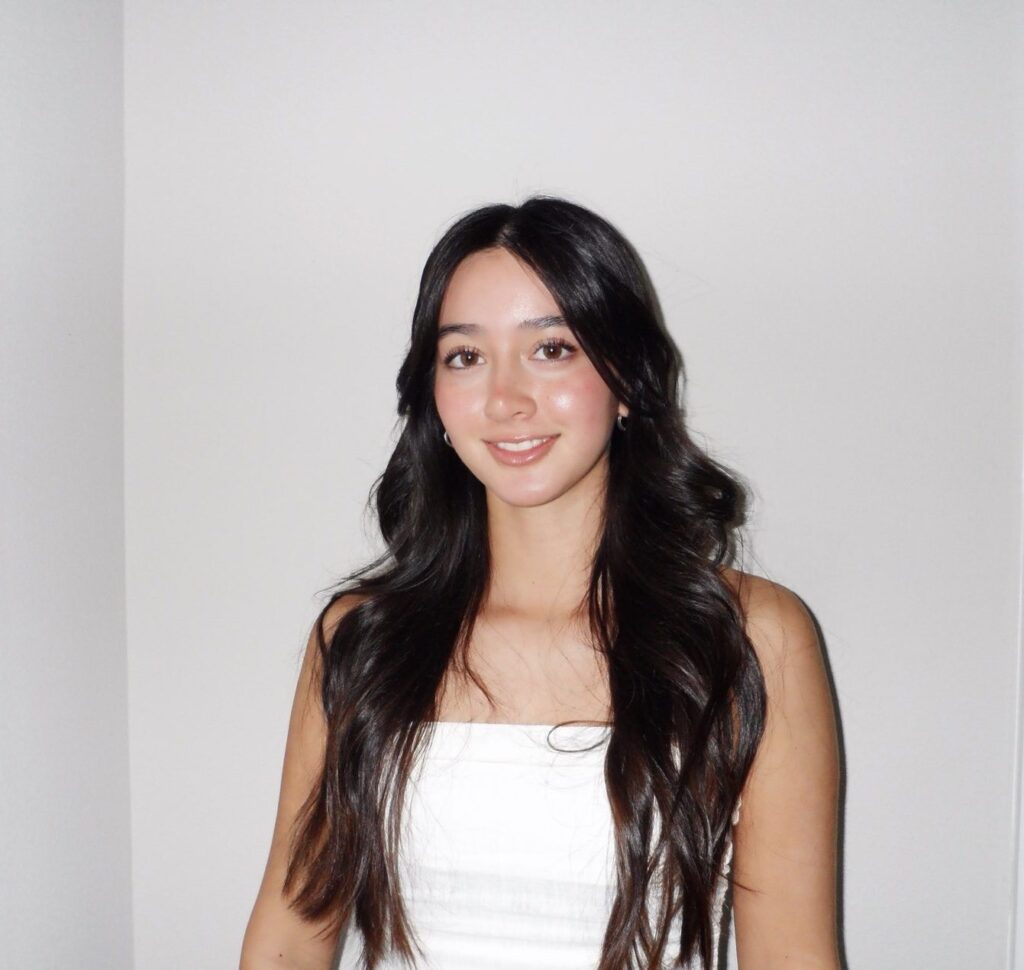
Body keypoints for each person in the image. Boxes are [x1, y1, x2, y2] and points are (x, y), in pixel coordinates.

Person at [239, 196, 841, 970]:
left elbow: (794, 957)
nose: (504, 399)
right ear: (434, 396)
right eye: (464, 356)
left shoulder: (754, 636)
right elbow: (288, 940)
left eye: (551, 349)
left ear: (627, 381)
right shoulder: (361, 640)